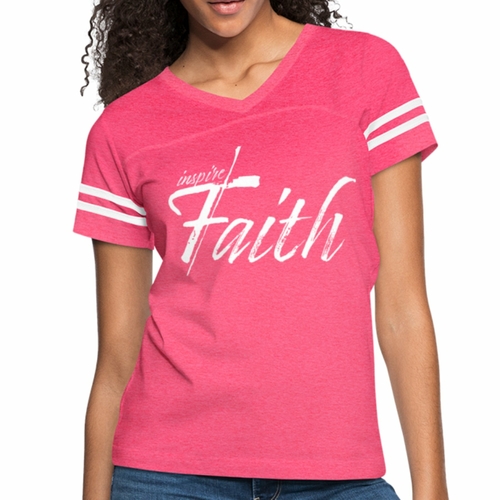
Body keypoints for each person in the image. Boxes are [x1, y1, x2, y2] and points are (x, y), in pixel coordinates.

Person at [75, 1, 449, 499]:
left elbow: (403, 310)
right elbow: (116, 362)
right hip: (166, 475)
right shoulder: (122, 129)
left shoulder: (365, 70)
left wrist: (433, 489)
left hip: (337, 477)